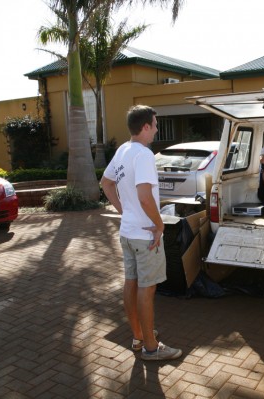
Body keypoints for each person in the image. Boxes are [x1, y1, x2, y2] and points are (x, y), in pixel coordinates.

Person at [101, 105, 182, 361]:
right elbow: (145, 196)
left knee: (131, 283)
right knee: (146, 290)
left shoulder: (123, 150)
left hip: (127, 232)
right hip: (145, 235)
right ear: (145, 126)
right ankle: (150, 346)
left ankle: (138, 336)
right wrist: (160, 225)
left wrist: (124, 211)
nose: (157, 130)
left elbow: (106, 183)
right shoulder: (144, 154)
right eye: (155, 125)